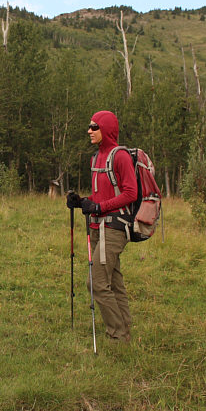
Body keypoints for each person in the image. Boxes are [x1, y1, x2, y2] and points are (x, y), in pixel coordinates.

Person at [66, 110, 137, 344]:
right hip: (97, 227)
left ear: (105, 129)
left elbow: (130, 193)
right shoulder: (96, 158)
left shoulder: (121, 157)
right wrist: (82, 202)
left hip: (115, 227)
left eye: (94, 127)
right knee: (113, 282)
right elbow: (100, 195)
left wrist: (99, 207)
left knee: (95, 283)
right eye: (89, 126)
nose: (89, 131)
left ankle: (117, 335)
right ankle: (125, 331)